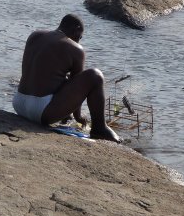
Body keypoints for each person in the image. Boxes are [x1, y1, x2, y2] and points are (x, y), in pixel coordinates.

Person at [12, 14, 121, 143]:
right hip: (41, 112)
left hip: (19, 104)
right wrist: (78, 117)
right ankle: (99, 128)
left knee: (62, 77)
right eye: (80, 37)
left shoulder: (35, 35)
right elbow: (78, 91)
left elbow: (39, 74)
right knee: (95, 75)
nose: (78, 41)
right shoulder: (76, 49)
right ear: (77, 29)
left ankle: (67, 117)